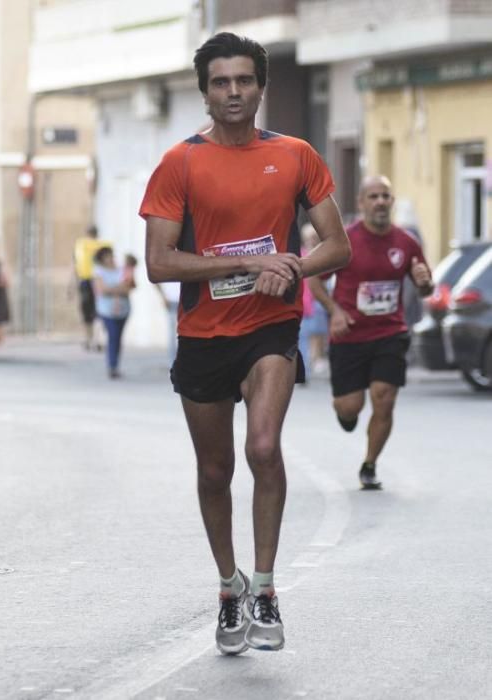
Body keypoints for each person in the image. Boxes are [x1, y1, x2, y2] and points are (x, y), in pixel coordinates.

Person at [139, 32, 351, 655]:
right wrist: (234, 266)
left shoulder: (296, 155)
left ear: (261, 86)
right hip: (204, 331)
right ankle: (229, 591)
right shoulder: (179, 163)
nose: (233, 92)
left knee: (263, 447)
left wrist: (288, 268)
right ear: (205, 91)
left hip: (270, 325)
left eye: (244, 81)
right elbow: (159, 262)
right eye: (220, 82)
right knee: (214, 470)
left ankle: (265, 587)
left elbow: (335, 244)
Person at [308, 176, 433, 490]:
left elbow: (425, 287)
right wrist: (334, 311)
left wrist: (424, 282)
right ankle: (347, 415)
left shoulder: (406, 243)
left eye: (385, 196)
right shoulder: (344, 241)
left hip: (390, 333)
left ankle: (369, 464)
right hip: (349, 335)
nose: (380, 202)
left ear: (391, 202)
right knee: (350, 407)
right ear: (361, 203)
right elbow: (313, 279)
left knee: (384, 397)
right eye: (373, 196)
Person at [92, 246, 134, 379]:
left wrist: (113, 289)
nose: (111, 258)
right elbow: (102, 289)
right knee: (113, 336)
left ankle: (115, 364)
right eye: (107, 256)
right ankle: (112, 366)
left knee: (118, 338)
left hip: (123, 309)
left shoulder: (122, 270)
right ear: (102, 259)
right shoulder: (99, 271)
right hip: (106, 310)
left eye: (111, 255)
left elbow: (128, 288)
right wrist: (119, 288)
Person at [298, 223, 330, 380]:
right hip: (303, 303)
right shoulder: (300, 255)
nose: (311, 240)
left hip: (318, 302)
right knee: (303, 336)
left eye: (314, 237)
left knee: (317, 334)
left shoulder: (323, 256)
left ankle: (315, 360)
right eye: (309, 238)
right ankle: (305, 368)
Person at [72, 225, 112, 350]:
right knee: (98, 311)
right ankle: (97, 339)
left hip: (86, 280)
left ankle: (88, 339)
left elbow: (74, 265)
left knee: (86, 311)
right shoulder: (104, 246)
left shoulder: (81, 245)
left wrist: (71, 285)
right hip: (99, 280)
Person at [154, 281, 180, 367]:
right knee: (172, 334)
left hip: (183, 299)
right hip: (171, 301)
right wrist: (163, 296)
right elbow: (155, 280)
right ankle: (173, 362)